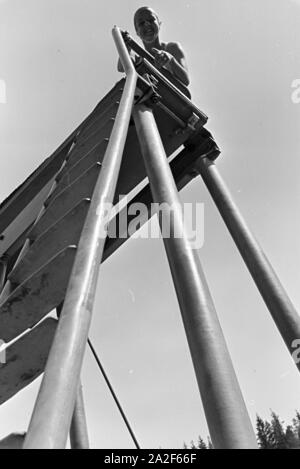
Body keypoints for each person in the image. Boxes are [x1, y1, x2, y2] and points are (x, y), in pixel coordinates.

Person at [118, 7, 190, 88]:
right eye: (141, 23)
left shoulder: (172, 48)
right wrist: (126, 46)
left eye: (151, 20)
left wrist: (170, 59)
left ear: (159, 24)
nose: (146, 24)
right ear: (137, 32)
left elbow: (186, 80)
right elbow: (121, 67)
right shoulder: (138, 56)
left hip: (172, 97)